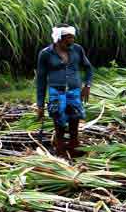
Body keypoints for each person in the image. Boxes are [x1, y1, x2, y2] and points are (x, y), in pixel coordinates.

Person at [36, 24, 93, 158]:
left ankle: (74, 146)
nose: (71, 41)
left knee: (75, 118)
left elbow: (88, 68)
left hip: (74, 91)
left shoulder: (77, 50)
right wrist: (40, 104)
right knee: (59, 119)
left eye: (72, 38)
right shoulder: (46, 54)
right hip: (57, 92)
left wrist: (87, 85)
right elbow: (41, 80)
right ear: (59, 39)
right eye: (68, 38)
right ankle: (60, 147)